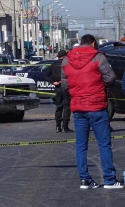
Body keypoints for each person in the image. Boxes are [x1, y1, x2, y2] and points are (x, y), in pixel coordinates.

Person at [61, 34, 122, 189]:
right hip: (97, 106)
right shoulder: (98, 57)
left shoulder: (66, 60)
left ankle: (85, 180)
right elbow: (110, 78)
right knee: (104, 145)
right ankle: (109, 180)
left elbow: (65, 85)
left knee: (81, 145)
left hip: (78, 107)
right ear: (93, 43)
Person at [45, 50, 73, 133]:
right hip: (66, 88)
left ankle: (58, 126)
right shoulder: (68, 64)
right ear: (64, 56)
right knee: (67, 107)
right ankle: (65, 126)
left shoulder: (53, 65)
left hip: (57, 88)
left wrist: (53, 82)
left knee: (59, 107)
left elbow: (46, 75)